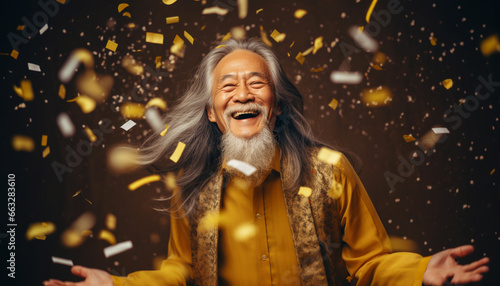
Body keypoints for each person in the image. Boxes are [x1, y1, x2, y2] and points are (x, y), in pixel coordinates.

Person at [44, 39, 489, 286]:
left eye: (256, 84)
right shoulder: (193, 189)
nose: (243, 93)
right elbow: (180, 273)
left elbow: (369, 263)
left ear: (274, 107)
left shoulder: (331, 171)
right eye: (228, 87)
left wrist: (418, 271)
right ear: (214, 114)